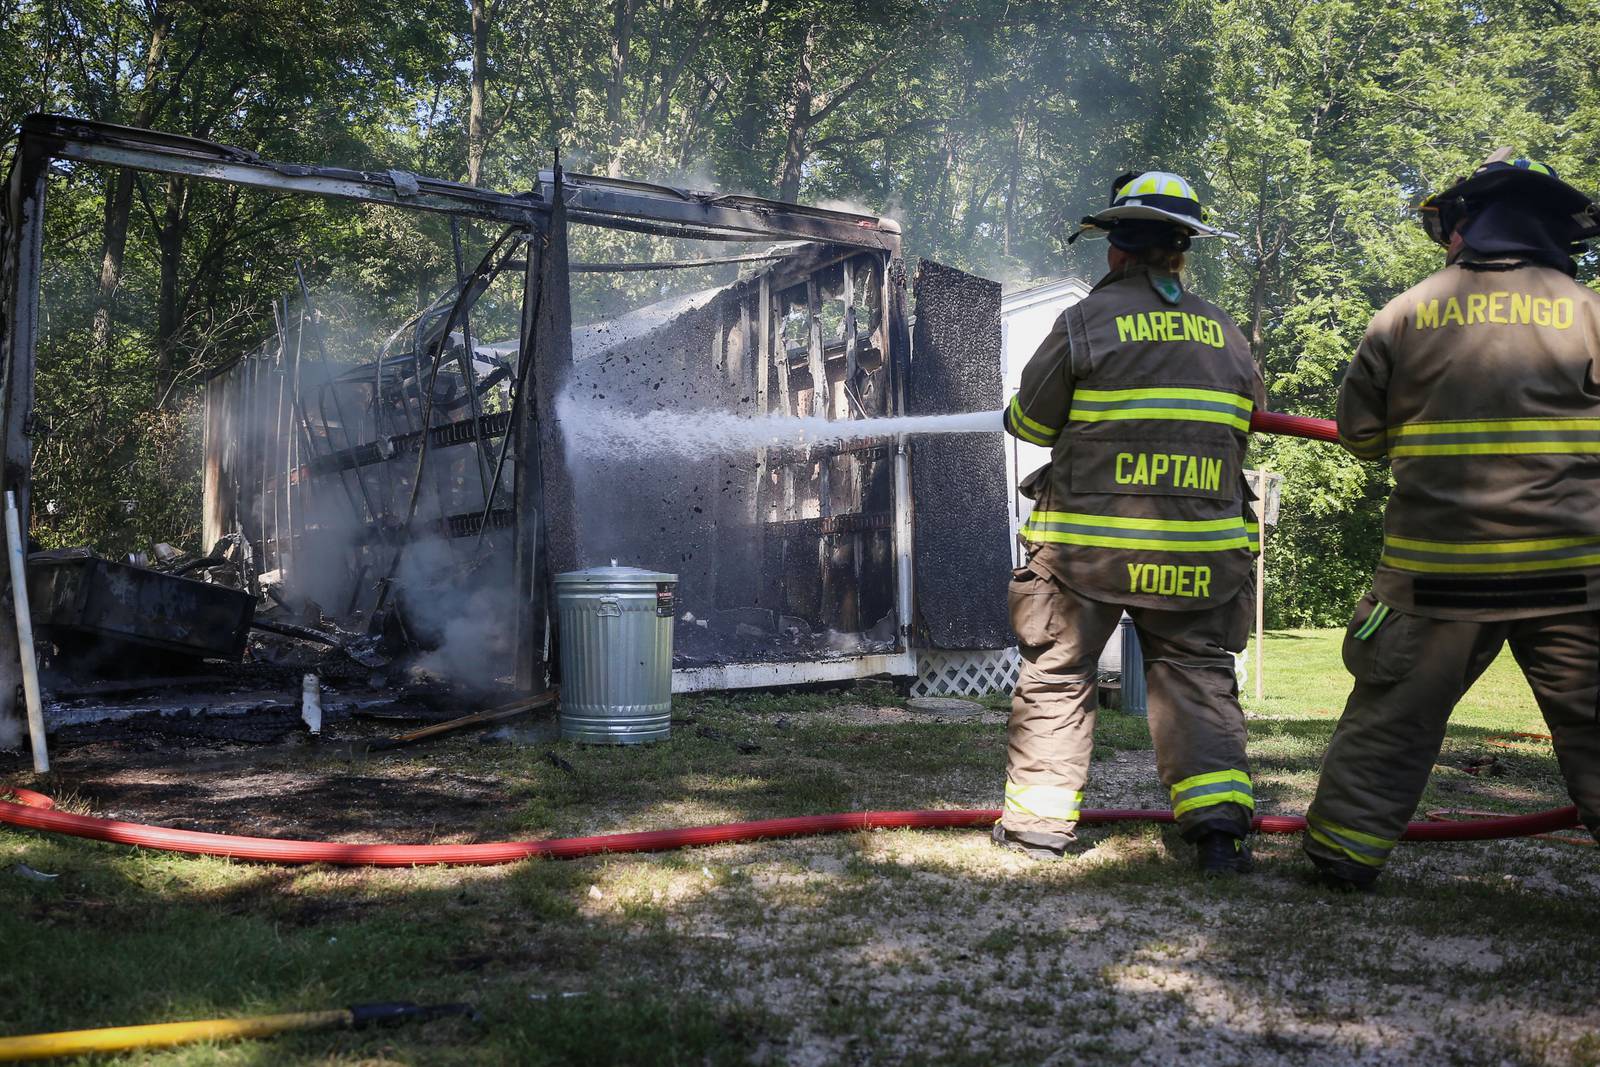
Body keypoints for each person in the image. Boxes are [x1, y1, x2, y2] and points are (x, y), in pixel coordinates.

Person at [1304, 150, 1600, 890]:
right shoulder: (1591, 313)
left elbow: (1362, 438)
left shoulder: (1405, 312)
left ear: (1465, 226)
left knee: (1391, 723)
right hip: (1572, 574)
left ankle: (1342, 856)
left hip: (1437, 575)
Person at [995, 171, 1266, 874]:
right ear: (1181, 251)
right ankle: (1216, 835)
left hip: (1089, 552)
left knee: (1058, 671)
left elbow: (1029, 420)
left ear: (1116, 249)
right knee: (1197, 675)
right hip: (1201, 552)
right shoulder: (1228, 335)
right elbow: (1239, 433)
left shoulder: (1086, 321)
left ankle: (1037, 829)